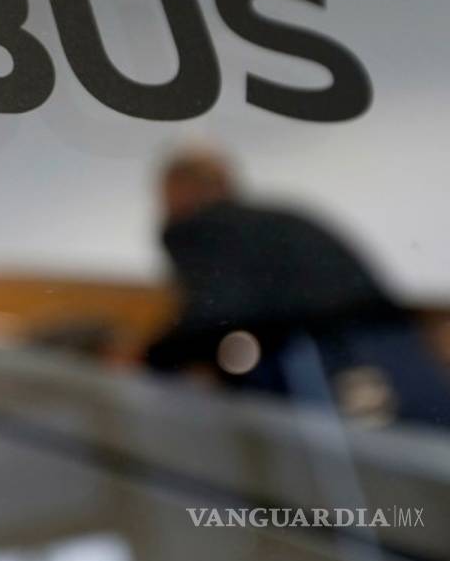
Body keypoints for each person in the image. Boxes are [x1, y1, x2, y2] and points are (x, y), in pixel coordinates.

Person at [145, 146, 450, 427]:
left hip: (321, 354)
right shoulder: (286, 218)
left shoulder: (195, 228)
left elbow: (217, 313)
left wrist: (153, 360)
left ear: (177, 190)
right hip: (393, 344)